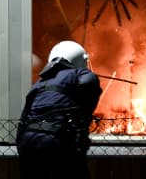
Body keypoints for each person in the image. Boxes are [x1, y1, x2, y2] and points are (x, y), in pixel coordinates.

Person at [16, 40, 102, 179]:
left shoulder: (39, 84)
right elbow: (88, 90)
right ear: (80, 60)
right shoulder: (80, 74)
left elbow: (24, 118)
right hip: (57, 140)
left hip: (28, 142)